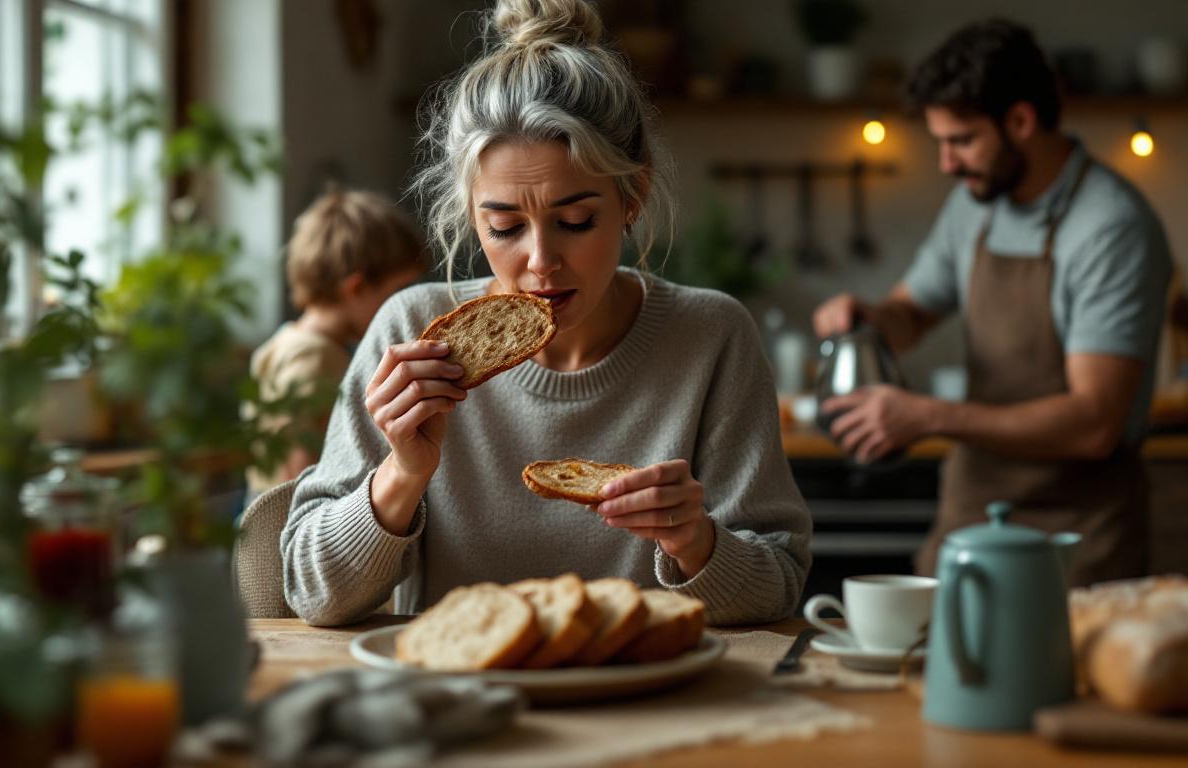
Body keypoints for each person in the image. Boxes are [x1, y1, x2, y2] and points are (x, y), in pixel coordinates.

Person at [281, 0, 811, 626]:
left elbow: (779, 587)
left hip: (648, 685)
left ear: (633, 196)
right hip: (457, 685)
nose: (540, 261)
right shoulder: (411, 332)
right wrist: (402, 473)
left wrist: (695, 540)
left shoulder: (712, 337)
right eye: (504, 227)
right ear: (471, 214)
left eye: (576, 221)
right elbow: (311, 594)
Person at [812, 20, 1172, 586]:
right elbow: (913, 313)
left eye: (961, 141)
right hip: (971, 515)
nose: (946, 164)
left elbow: (1094, 422)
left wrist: (928, 415)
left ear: (1021, 122)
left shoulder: (1111, 227)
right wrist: (871, 318)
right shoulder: (974, 203)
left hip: (1076, 538)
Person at [245, 188, 427, 501]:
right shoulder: (315, 357)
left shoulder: (288, 340)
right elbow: (296, 464)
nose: (404, 303)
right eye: (398, 290)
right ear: (355, 288)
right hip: (286, 513)